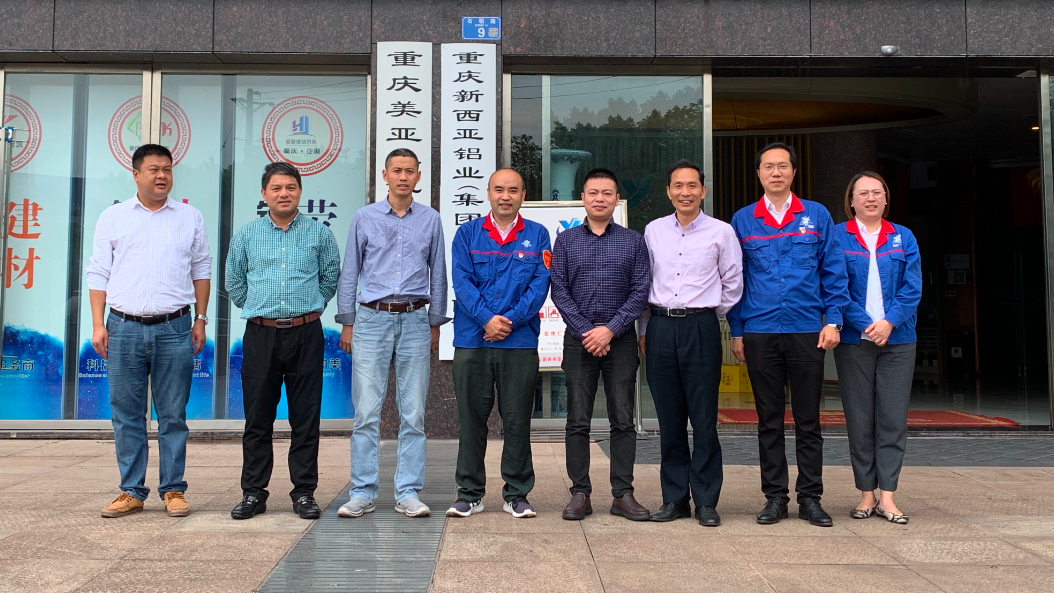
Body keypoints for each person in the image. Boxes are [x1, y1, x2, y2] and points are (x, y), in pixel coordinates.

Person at [727, 142, 850, 527]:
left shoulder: (816, 215)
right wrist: (737, 330)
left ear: (794, 172)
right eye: (768, 166)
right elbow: (735, 280)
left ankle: (810, 497)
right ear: (759, 173)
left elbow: (834, 270)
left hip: (806, 330)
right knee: (768, 419)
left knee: (809, 419)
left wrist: (834, 320)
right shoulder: (743, 220)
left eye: (783, 166)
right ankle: (775, 498)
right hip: (760, 331)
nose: (776, 172)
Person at [87, 143, 211, 519]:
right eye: (154, 169)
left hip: (175, 327)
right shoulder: (113, 217)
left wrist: (200, 319)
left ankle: (173, 489)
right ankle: (131, 490)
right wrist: (97, 324)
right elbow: (98, 271)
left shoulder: (189, 216)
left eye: (167, 169)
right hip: (122, 326)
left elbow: (201, 269)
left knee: (172, 414)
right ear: (136, 174)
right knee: (127, 413)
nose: (162, 176)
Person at [336, 148, 449, 519]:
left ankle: (408, 492)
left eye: (410, 171)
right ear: (384, 175)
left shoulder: (430, 219)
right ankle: (362, 492)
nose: (403, 176)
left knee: (413, 413)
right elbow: (350, 271)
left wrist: (435, 322)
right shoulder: (364, 217)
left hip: (415, 319)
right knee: (366, 412)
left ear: (418, 177)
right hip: (371, 319)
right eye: (396, 170)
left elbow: (438, 272)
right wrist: (348, 321)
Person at [225, 161, 340, 520]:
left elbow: (330, 277)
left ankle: (303, 493)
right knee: (257, 417)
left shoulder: (319, 234)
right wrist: (260, 308)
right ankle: (253, 492)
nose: (283, 194)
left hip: (306, 333)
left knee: (305, 418)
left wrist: (311, 306)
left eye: (290, 187)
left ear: (300, 191)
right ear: (264, 194)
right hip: (261, 333)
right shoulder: (247, 235)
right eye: (276, 188)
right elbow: (234, 282)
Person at [638, 160, 743, 527]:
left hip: (701, 326)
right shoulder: (653, 231)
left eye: (692, 186)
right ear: (669, 191)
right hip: (660, 326)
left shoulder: (722, 232)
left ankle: (707, 501)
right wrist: (644, 329)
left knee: (704, 419)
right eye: (678, 186)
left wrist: (708, 313)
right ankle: (674, 499)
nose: (685, 192)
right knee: (669, 420)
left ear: (703, 190)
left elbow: (733, 283)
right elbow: (644, 280)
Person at [446, 168, 551, 520]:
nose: (506, 196)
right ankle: (469, 494)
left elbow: (539, 285)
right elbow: (462, 282)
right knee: (471, 421)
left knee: (517, 421)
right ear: (488, 193)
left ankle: (517, 494)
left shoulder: (537, 235)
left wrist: (509, 322)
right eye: (499, 190)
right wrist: (486, 320)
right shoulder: (468, 233)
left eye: (513, 190)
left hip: (518, 342)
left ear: (523, 195)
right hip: (472, 341)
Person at [551, 168, 651, 522]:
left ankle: (622, 493)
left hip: (620, 341)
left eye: (607, 193)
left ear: (616, 199)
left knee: (622, 419)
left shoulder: (633, 241)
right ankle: (580, 493)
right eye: (593, 192)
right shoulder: (566, 241)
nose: (600, 198)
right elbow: (559, 289)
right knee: (577, 420)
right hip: (579, 341)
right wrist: (586, 331)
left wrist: (609, 330)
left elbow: (641, 290)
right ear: (583, 197)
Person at [833, 172, 921, 525]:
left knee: (892, 419)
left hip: (898, 340)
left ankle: (888, 496)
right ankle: (866, 493)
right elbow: (835, 287)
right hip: (855, 341)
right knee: (859, 419)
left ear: (886, 199)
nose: (870, 198)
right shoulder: (838, 236)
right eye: (863, 193)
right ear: (851, 200)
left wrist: (889, 323)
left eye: (877, 192)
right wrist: (866, 324)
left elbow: (912, 288)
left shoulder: (903, 236)